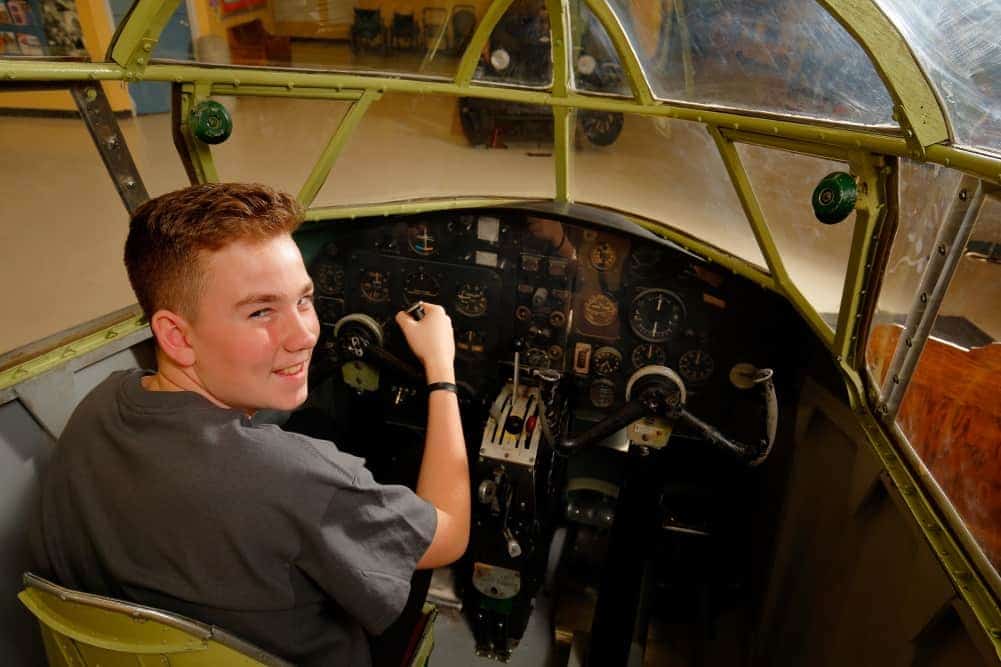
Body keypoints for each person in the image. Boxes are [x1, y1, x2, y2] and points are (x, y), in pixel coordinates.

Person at [29, 183, 470, 666]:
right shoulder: (297, 480)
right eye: (261, 311)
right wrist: (441, 370)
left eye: (304, 299)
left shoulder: (98, 405)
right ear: (175, 335)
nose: (304, 335)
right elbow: (449, 536)